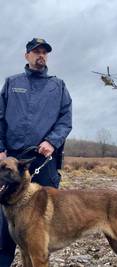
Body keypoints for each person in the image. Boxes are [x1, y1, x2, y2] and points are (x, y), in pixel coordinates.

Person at [0, 38, 72, 266]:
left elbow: (65, 119)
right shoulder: (12, 83)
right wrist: (1, 149)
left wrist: (52, 141)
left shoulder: (58, 86)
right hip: (11, 162)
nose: (41, 55)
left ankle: (39, 258)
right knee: (6, 221)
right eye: (36, 51)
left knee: (43, 220)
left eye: (44, 52)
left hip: (44, 161)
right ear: (27, 56)